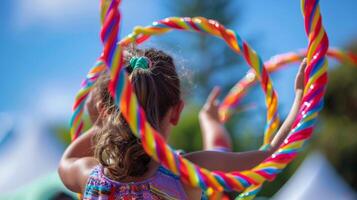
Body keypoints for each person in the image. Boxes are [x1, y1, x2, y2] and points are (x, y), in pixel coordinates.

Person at [58, 48, 307, 200]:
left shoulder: (89, 176)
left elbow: (65, 163)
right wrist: (301, 99)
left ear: (105, 111)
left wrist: (101, 124)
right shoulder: (185, 173)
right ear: (176, 112)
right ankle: (209, 122)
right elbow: (271, 157)